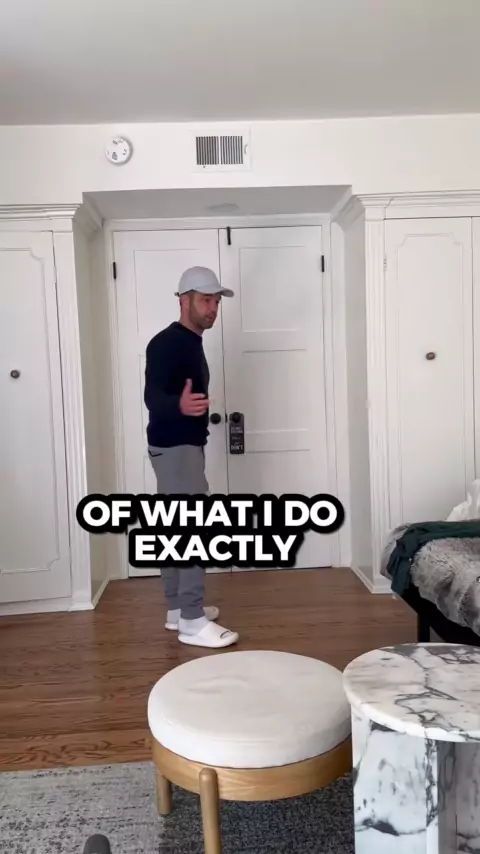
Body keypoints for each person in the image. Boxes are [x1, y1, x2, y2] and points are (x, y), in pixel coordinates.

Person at [144, 266, 239, 649]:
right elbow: (152, 396)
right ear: (185, 301)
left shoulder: (190, 341)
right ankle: (193, 620)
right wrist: (178, 406)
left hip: (177, 447)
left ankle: (177, 610)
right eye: (205, 300)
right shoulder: (167, 343)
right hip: (177, 448)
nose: (213, 308)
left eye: (216, 301)